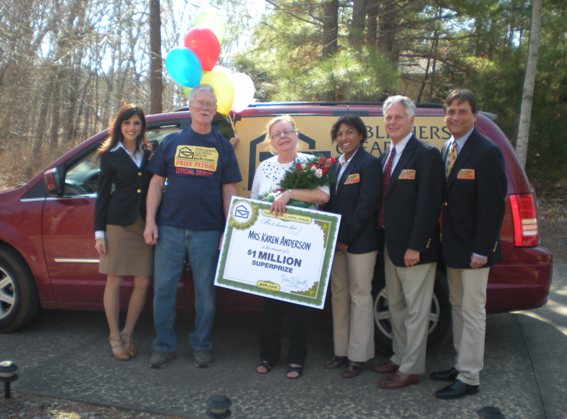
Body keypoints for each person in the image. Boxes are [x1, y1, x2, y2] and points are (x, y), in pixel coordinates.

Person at [144, 84, 242, 369]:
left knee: (205, 294)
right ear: (190, 106)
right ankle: (163, 345)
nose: (204, 108)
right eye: (200, 103)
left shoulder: (223, 146)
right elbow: (155, 183)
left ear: (215, 110)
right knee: (164, 290)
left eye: (210, 104)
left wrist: (229, 228)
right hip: (170, 229)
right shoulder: (171, 141)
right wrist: (150, 221)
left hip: (208, 231)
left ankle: (201, 344)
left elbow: (229, 189)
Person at [432, 89, 507, 399]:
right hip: (453, 246)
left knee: (473, 312)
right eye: (451, 111)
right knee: (457, 306)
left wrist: (482, 249)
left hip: (475, 249)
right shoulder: (447, 147)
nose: (455, 117)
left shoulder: (487, 152)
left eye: (462, 111)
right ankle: (460, 364)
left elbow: (494, 207)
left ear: (475, 116)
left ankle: (470, 377)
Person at [251, 115, 330, 379]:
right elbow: (255, 201)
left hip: (302, 244)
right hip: (272, 244)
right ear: (271, 141)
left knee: (298, 304)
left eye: (287, 131)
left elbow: (323, 195)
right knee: (270, 302)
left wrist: (290, 194)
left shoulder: (310, 164)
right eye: (277, 134)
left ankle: (296, 359)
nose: (282, 137)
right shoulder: (264, 167)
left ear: (296, 135)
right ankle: (268, 355)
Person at [373, 96, 444, 389]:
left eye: (398, 117)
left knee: (416, 311)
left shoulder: (426, 154)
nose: (392, 122)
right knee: (397, 306)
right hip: (390, 243)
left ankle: (411, 368)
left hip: (414, 248)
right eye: (388, 117)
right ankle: (400, 356)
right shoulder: (386, 156)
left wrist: (417, 245)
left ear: (412, 120)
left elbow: (429, 204)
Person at [322, 115, 382, 378]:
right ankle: (341, 351)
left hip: (360, 242)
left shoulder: (369, 163)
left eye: (349, 132)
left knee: (360, 296)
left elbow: (367, 207)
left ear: (361, 135)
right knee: (338, 295)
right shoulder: (334, 165)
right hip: (337, 242)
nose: (344, 138)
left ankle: (358, 356)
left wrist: (345, 238)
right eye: (339, 134)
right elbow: (329, 203)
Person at [94, 104, 154, 361]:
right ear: (119, 125)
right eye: (127, 122)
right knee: (115, 280)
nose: (132, 127)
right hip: (117, 223)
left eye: (137, 123)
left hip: (144, 224)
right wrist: (99, 233)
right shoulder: (109, 155)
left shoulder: (150, 152)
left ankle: (128, 333)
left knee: (142, 282)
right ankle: (114, 336)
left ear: (142, 126)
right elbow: (102, 195)